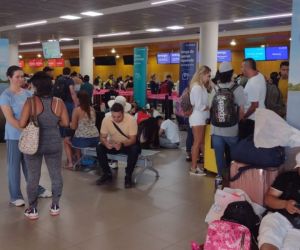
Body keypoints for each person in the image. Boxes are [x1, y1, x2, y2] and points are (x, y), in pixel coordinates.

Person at [19, 71, 69, 220]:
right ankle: (55, 206)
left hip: (34, 144)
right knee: (56, 175)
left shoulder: (31, 101)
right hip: (54, 142)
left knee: (33, 176)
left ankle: (33, 209)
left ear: (36, 86)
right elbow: (65, 123)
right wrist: (53, 122)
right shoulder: (59, 102)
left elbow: (22, 124)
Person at [0, 66, 51, 207]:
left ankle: (36, 190)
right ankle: (15, 196)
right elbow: (10, 119)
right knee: (14, 167)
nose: (21, 79)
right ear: (9, 77)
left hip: (29, 135)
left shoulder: (28, 94)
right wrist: (24, 129)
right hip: (14, 136)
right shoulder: (5, 96)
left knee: (30, 166)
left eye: (22, 76)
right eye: (17, 76)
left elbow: (35, 113)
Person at [211, 62, 245, 185]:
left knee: (219, 155)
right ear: (231, 73)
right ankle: (234, 177)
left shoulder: (215, 88)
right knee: (235, 155)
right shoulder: (237, 88)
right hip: (231, 129)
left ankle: (220, 177)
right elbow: (241, 111)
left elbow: (211, 107)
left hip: (216, 129)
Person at [96, 103, 140, 188]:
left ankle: (128, 176)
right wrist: (106, 143)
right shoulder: (106, 120)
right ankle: (107, 173)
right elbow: (102, 137)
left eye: (118, 116)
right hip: (114, 144)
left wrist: (122, 144)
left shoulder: (131, 120)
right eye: (113, 116)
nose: (116, 119)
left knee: (134, 149)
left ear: (123, 113)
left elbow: (133, 139)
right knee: (99, 147)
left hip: (127, 144)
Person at [258, 161, 300, 250]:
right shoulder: (288, 177)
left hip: (298, 229)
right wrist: (285, 204)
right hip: (278, 217)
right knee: (268, 246)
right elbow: (268, 199)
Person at [64, 91, 99, 169]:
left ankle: (70, 163)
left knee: (66, 140)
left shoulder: (77, 110)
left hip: (83, 140)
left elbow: (73, 127)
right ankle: (79, 160)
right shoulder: (92, 109)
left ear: (79, 99)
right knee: (77, 137)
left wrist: (70, 124)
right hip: (95, 139)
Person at [189, 66, 211, 176]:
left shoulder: (201, 86)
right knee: (197, 143)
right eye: (208, 76)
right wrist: (208, 107)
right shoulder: (197, 87)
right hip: (197, 118)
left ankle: (204, 165)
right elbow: (198, 105)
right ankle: (193, 168)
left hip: (200, 118)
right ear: (202, 74)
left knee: (200, 143)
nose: (209, 78)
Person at [240, 58, 266, 139]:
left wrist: (244, 117)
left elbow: (254, 105)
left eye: (242, 67)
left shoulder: (253, 83)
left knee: (248, 144)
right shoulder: (259, 75)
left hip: (252, 119)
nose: (241, 69)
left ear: (247, 68)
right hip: (259, 116)